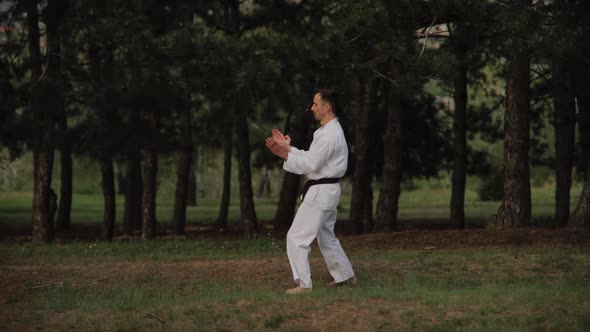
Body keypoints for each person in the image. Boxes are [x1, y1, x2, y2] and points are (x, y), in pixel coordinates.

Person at [265, 89, 356, 294]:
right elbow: (312, 158)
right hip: (326, 189)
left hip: (321, 191)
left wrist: (287, 155)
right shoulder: (328, 131)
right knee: (326, 236)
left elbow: (312, 165)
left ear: (327, 107)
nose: (312, 108)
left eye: (315, 104)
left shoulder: (330, 134)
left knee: (296, 237)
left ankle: (304, 285)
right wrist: (289, 150)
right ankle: (346, 276)